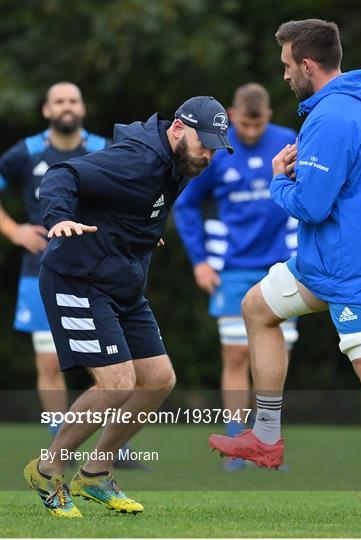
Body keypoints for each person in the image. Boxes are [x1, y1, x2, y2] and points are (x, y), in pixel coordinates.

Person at [209, 19, 361, 527]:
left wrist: (277, 179)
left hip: (351, 271)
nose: (284, 77)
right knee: (257, 307)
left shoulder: (333, 117)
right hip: (327, 263)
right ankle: (267, 437)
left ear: (308, 65)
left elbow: (312, 208)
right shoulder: (350, 107)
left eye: (287, 67)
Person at [23, 96, 233, 517]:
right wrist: (59, 216)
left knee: (158, 379)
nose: (207, 154)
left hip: (120, 282)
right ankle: (47, 470)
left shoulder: (179, 163)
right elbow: (63, 174)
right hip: (78, 278)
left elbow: (138, 202)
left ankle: (95, 474)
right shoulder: (137, 159)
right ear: (177, 128)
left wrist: (142, 231)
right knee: (117, 383)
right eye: (202, 143)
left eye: (214, 147)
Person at [0, 82, 142, 469]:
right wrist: (14, 232)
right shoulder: (27, 152)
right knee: (48, 363)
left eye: (73, 100)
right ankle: (58, 438)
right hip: (41, 272)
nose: (66, 106)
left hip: (97, 270)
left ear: (83, 107)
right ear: (46, 110)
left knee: (106, 363)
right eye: (59, 101)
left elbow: (129, 196)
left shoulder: (102, 148)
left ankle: (111, 444)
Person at [174, 83, 298, 470]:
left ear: (270, 117)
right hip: (231, 268)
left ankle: (267, 439)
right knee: (235, 354)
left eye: (256, 125)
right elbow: (187, 203)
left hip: (281, 265)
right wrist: (200, 261)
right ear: (231, 115)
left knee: (277, 356)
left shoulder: (288, 143)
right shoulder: (218, 148)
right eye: (243, 124)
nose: (249, 132)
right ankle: (236, 438)